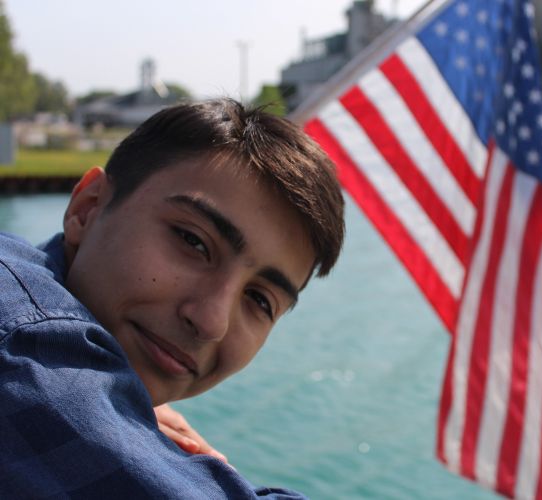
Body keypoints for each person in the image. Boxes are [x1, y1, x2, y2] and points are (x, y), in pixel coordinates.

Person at [0, 99, 345, 498]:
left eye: (260, 300)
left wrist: (119, 410)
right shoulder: (24, 344)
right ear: (87, 207)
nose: (212, 321)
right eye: (193, 241)